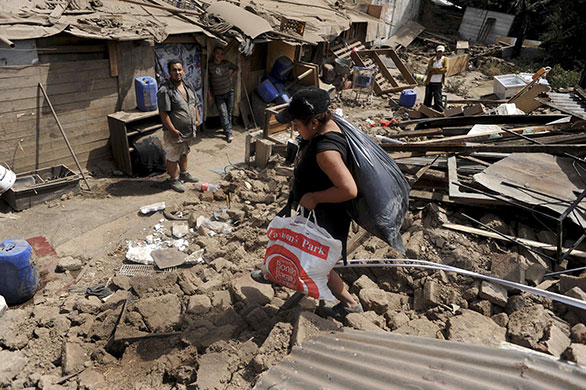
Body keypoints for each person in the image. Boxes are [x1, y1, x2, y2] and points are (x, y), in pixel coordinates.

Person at [252, 88, 363, 320]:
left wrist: (314, 197)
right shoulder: (329, 125)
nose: (294, 129)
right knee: (308, 250)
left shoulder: (326, 151)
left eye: (296, 125)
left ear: (314, 122)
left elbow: (349, 189)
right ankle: (275, 270)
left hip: (325, 214)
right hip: (320, 211)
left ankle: (350, 303)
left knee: (320, 261)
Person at [157, 59, 200, 193]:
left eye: (179, 69)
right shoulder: (165, 90)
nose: (177, 72)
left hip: (187, 130)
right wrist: (172, 130)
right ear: (169, 72)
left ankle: (184, 173)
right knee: (173, 155)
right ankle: (174, 180)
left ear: (184, 70)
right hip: (174, 132)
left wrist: (197, 119)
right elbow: (163, 113)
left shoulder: (188, 85)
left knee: (184, 152)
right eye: (174, 70)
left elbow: (194, 104)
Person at [208, 46, 238, 143]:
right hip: (218, 94)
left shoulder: (226, 63)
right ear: (213, 54)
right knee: (223, 113)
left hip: (229, 92)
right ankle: (229, 132)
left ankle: (227, 129)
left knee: (229, 112)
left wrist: (231, 76)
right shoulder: (210, 66)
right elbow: (207, 82)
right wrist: (209, 95)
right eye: (217, 53)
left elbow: (236, 68)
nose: (219, 56)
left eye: (222, 54)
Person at [423, 45, 449, 112]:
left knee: (437, 98)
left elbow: (445, 69)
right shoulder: (432, 59)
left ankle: (440, 111)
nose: (439, 53)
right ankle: (426, 110)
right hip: (430, 81)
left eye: (441, 52)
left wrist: (433, 71)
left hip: (438, 82)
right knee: (428, 97)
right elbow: (429, 68)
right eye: (438, 52)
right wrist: (438, 69)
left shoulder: (445, 59)